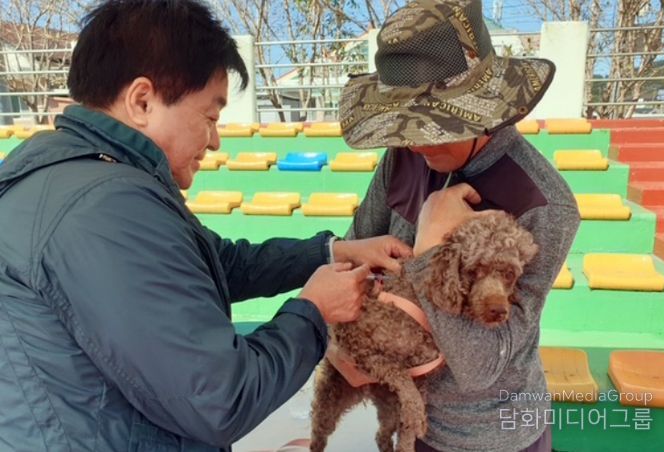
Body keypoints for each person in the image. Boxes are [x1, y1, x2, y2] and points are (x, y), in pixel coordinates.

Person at [0, 1, 412, 451]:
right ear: (142, 101)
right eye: (210, 117)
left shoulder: (78, 176)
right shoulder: (103, 208)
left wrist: (330, 252)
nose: (214, 140)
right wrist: (313, 312)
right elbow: (221, 399)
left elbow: (215, 263)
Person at [338, 0, 581, 451]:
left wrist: (431, 252)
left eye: (431, 125)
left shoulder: (542, 202)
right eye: (406, 124)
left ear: (480, 108)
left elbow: (481, 365)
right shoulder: (403, 158)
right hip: (411, 419)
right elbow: (354, 254)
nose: (414, 142)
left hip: (496, 434)